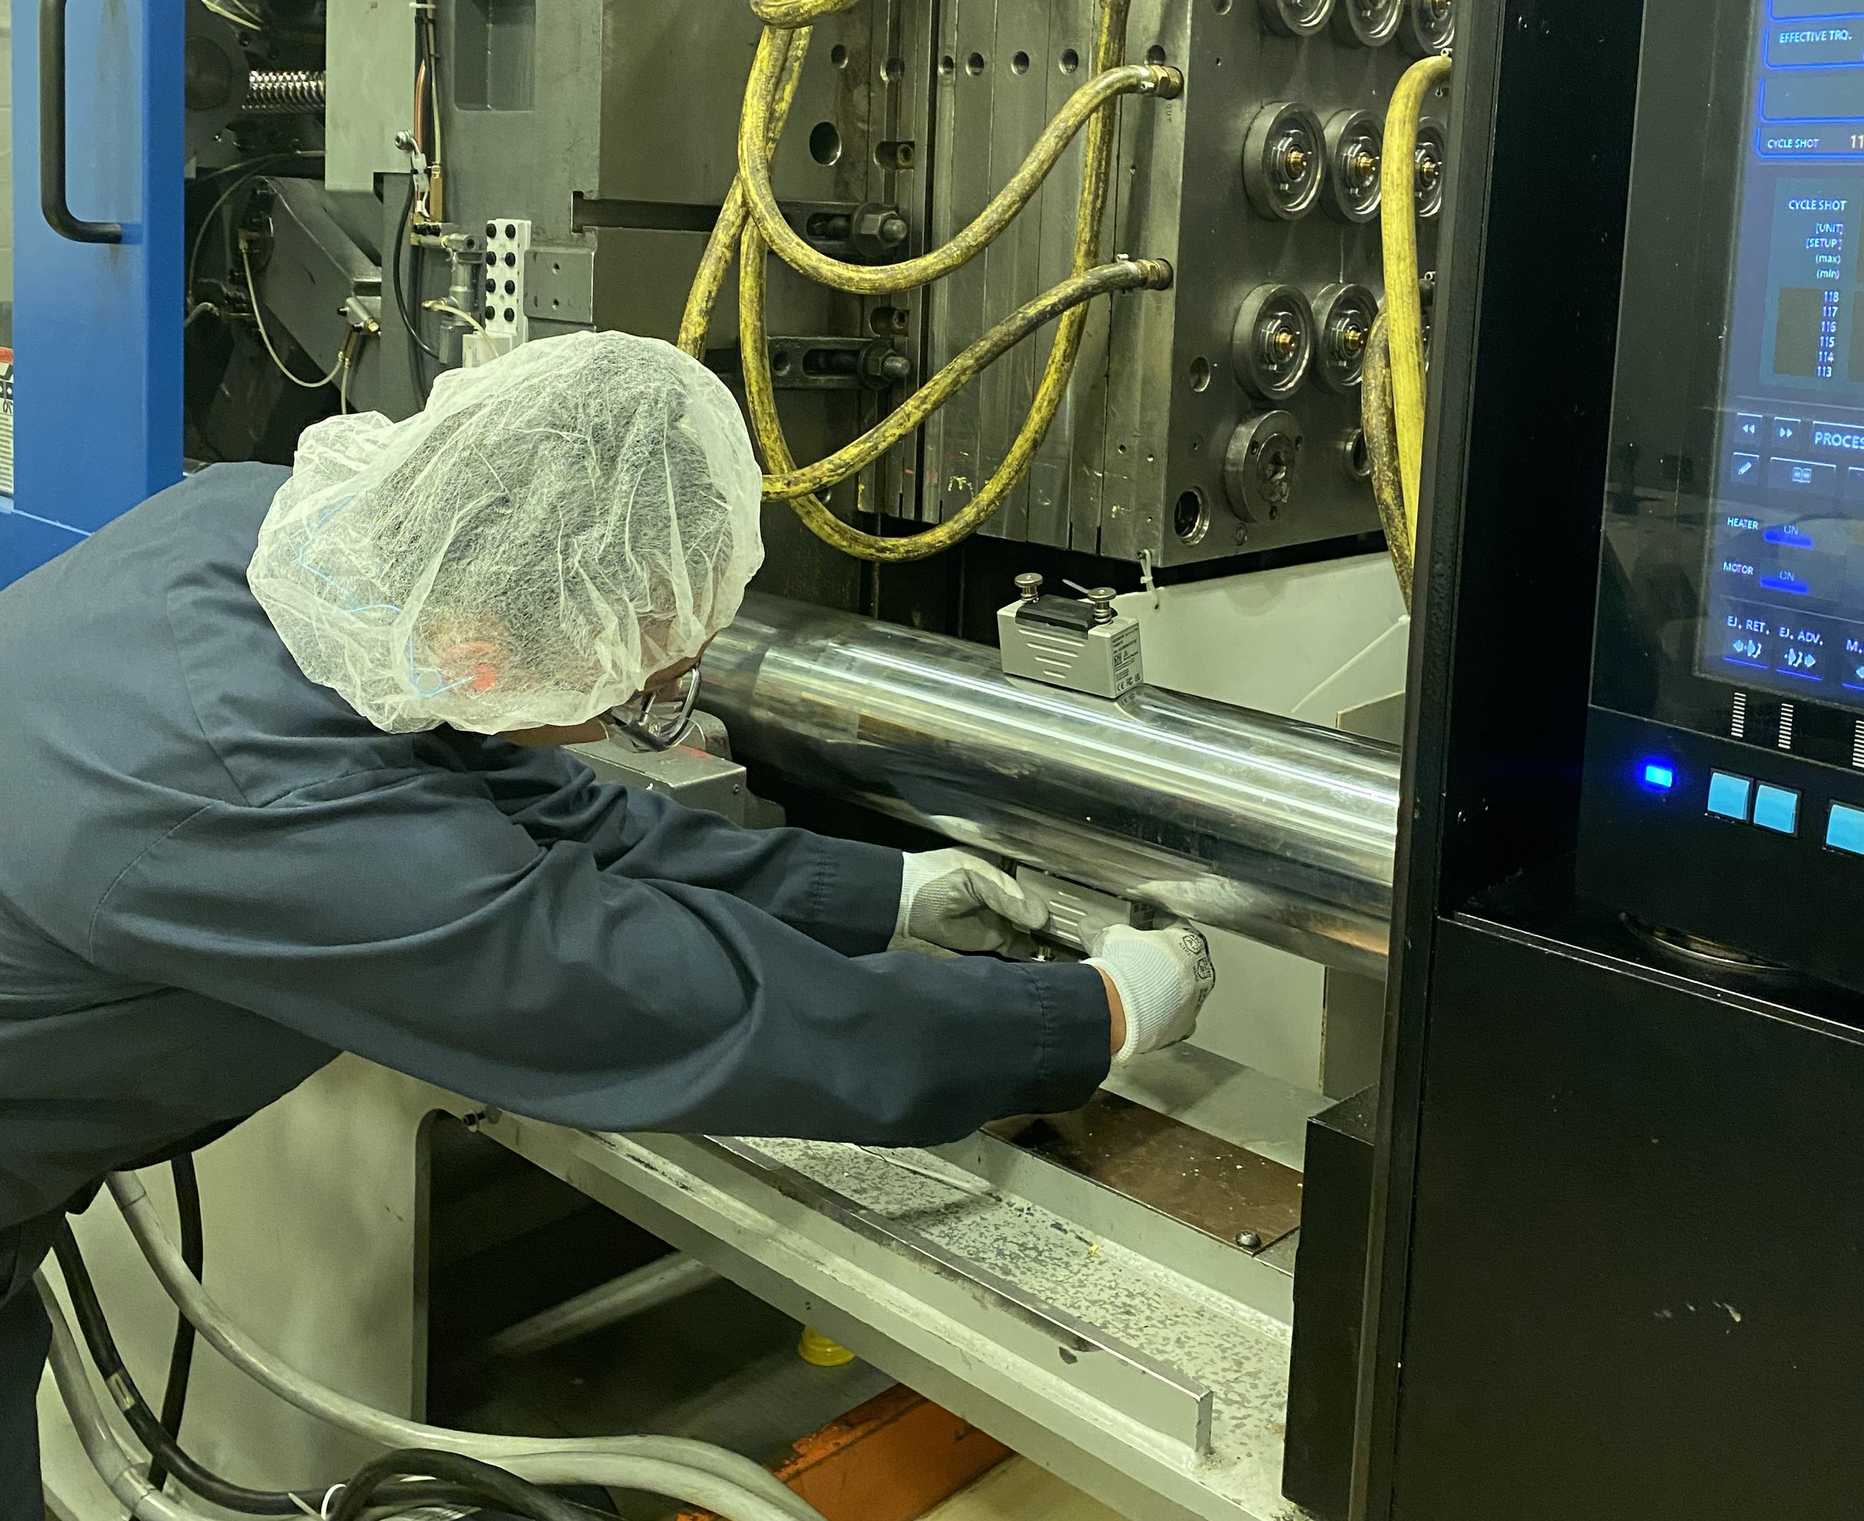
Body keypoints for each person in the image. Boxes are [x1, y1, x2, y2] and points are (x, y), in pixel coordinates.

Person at [0, 330, 1213, 1515]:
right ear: (488, 649)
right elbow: (653, 998)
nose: (632, 716)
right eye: (628, 694)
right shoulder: (283, 811)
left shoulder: (301, 545)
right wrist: (1086, 1015)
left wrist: (880, 892)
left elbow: (544, 809)